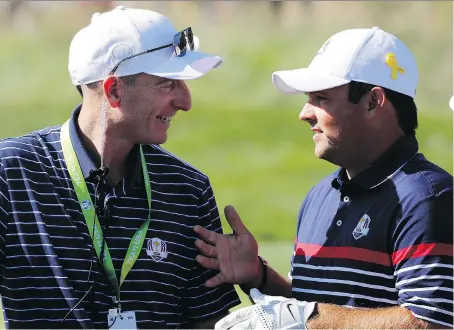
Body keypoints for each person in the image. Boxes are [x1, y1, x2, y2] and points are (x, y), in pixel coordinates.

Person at [194, 27, 453, 329]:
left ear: (373, 101)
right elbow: (315, 304)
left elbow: (431, 322)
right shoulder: (320, 195)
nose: (305, 113)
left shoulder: (427, 198)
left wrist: (308, 319)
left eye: (321, 98)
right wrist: (261, 277)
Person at [0, 6, 240, 329]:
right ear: (114, 90)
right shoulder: (13, 174)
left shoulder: (189, 191)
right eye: (168, 83)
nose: (186, 101)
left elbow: (210, 324)